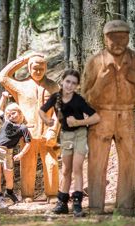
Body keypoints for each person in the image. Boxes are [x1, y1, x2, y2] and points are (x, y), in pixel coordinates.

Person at [82, 20, 135, 216]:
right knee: (97, 160)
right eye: (113, 38)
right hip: (101, 116)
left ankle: (125, 206)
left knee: (128, 160)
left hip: (126, 114)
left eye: (123, 37)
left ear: (128, 37)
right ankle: (95, 206)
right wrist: (101, 83)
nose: (118, 42)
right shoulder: (95, 61)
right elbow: (85, 96)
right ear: (104, 38)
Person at [0, 53, 60, 203]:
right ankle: (27, 195)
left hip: (48, 133)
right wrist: (26, 58)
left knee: (51, 164)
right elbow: (3, 76)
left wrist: (54, 130)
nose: (38, 71)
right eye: (35, 68)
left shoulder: (53, 86)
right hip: (27, 133)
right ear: (29, 68)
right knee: (27, 164)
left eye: (41, 68)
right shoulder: (20, 86)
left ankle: (52, 194)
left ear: (46, 68)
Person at [39, 69, 100, 217]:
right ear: (62, 81)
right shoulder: (55, 97)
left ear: (77, 86)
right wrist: (46, 120)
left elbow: (96, 117)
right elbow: (41, 110)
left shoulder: (78, 100)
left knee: (77, 168)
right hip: (65, 136)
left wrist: (79, 121)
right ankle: (62, 203)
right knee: (66, 170)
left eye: (73, 83)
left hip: (80, 134)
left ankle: (77, 204)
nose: (70, 85)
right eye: (68, 81)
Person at [0, 91, 31, 208]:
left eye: (13, 113)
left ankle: (9, 192)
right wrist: (3, 97)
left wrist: (21, 154)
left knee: (9, 173)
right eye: (9, 114)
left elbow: (28, 143)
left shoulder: (23, 128)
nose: (11, 116)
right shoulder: (6, 121)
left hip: (9, 151)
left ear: (20, 113)